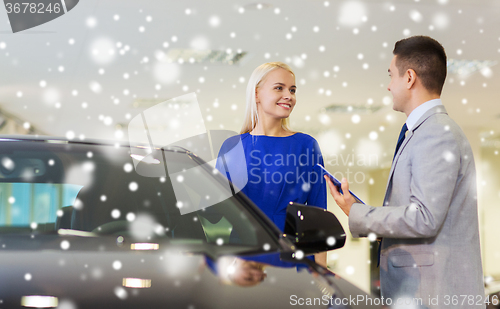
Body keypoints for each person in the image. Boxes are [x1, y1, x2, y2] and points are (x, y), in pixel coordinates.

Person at [325, 36, 484, 308]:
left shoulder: (436, 133)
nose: (388, 86)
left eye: (391, 75)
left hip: (434, 295)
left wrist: (357, 212)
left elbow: (424, 217)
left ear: (409, 78)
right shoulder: (425, 131)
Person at [216, 62, 327, 267]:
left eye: (292, 90)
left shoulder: (306, 145)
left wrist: (322, 275)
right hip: (241, 257)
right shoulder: (232, 147)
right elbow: (216, 214)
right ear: (256, 94)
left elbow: (317, 215)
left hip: (293, 256)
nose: (289, 96)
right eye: (279, 88)